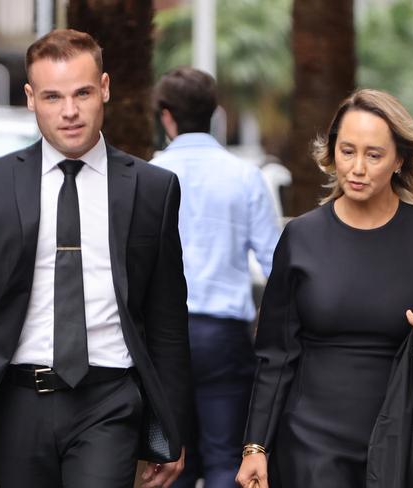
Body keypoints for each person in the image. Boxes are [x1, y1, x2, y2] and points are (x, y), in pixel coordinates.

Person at [0, 29, 192, 488]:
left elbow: (167, 319)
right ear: (30, 98)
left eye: (82, 93)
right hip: (17, 402)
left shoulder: (151, 189)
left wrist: (173, 428)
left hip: (110, 401)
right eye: (52, 96)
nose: (69, 111)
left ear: (104, 88)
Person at [235, 88, 413, 487]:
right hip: (311, 446)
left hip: (405, 443)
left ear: (399, 158)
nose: (358, 168)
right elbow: (275, 355)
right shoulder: (301, 237)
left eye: (374, 154)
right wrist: (255, 446)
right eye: (347, 151)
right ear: (332, 153)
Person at [150, 67, 280, 488]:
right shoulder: (244, 175)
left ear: (166, 116)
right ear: (215, 113)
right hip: (224, 335)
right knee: (227, 457)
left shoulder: (149, 174)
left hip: (163, 336)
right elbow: (275, 262)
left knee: (170, 458)